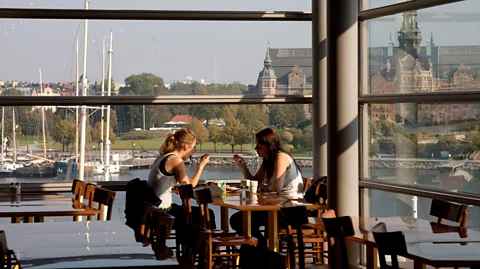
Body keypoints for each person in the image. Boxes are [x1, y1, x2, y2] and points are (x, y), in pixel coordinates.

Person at [230, 127, 303, 248]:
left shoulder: (281, 157)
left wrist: (263, 187)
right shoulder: (267, 160)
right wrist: (243, 167)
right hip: (277, 207)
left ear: (269, 146)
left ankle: (262, 249)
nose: (256, 149)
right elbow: (254, 182)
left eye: (259, 146)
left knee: (240, 220)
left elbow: (276, 188)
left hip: (290, 210)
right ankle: (261, 250)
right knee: (240, 219)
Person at [147, 128, 216, 229]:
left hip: (152, 209)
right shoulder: (176, 160)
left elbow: (186, 184)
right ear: (186, 146)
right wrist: (201, 166)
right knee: (207, 214)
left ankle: (192, 243)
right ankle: (208, 243)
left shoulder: (163, 157)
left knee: (192, 213)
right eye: (193, 148)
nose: (193, 152)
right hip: (162, 212)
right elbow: (189, 188)